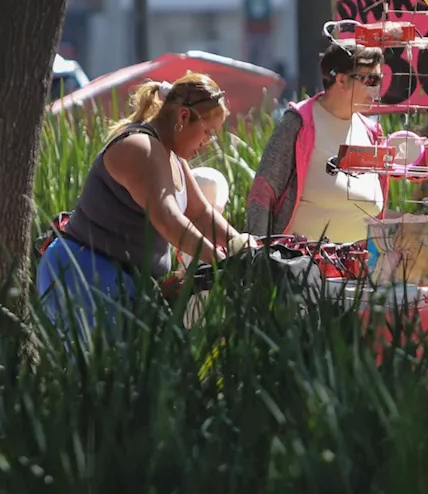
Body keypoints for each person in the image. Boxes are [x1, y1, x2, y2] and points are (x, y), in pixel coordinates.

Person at [37, 73, 250, 337]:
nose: (207, 143)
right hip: (86, 272)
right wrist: (220, 263)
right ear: (183, 117)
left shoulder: (173, 156)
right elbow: (169, 219)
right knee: (103, 373)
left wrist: (244, 248)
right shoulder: (140, 147)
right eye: (207, 132)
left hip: (124, 280)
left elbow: (200, 212)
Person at [247, 42, 388, 242]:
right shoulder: (297, 123)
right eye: (371, 80)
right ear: (341, 80)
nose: (378, 89)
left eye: (379, 80)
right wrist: (259, 258)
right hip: (299, 266)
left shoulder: (373, 132)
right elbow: (262, 193)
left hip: (361, 266)